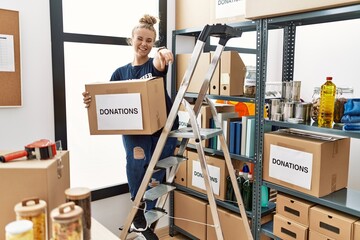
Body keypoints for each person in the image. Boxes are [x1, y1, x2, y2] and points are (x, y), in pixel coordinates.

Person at [82, 14, 179, 240]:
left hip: (162, 129)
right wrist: (91, 101)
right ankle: (138, 212)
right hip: (135, 132)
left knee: (157, 173)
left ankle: (147, 219)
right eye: (140, 39)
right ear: (131, 40)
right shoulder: (120, 73)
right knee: (136, 166)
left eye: (149, 41)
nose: (144, 44)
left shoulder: (153, 65)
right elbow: (107, 99)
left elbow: (159, 62)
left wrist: (162, 52)